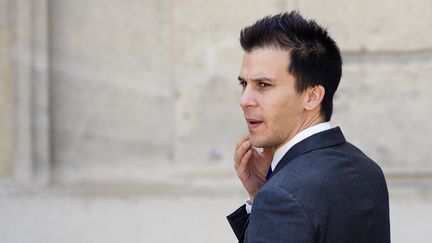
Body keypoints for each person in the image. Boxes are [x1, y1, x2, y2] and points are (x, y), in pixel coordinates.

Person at [227, 11, 390, 243]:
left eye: (263, 85)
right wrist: (259, 194)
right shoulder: (368, 170)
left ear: (312, 97)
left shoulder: (281, 196)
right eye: (244, 84)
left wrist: (269, 196)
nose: (244, 100)